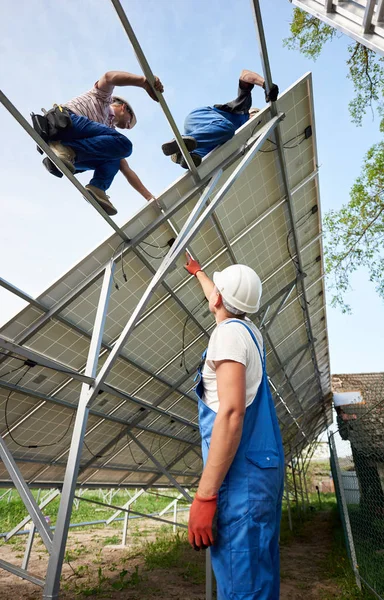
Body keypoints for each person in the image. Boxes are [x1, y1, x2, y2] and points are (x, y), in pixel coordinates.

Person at [184, 253, 284, 600]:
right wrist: (199, 273)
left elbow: (230, 414)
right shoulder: (249, 333)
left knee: (244, 588)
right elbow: (224, 302)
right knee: (260, 578)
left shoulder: (227, 337)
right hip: (259, 476)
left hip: (239, 482)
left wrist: (204, 496)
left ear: (219, 299)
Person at [42, 71, 164, 216]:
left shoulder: (107, 132)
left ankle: (97, 188)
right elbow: (109, 77)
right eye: (129, 122)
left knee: (115, 158)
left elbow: (126, 169)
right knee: (123, 144)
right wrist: (143, 82)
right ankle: (66, 149)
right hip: (65, 123)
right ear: (124, 108)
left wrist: (149, 197)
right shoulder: (104, 99)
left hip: (70, 148)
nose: (127, 127)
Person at [161, 70, 278, 169]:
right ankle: (183, 143)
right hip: (200, 118)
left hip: (202, 139)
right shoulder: (243, 110)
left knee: (202, 157)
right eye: (257, 114)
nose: (258, 120)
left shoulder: (240, 138)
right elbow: (244, 75)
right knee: (227, 128)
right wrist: (265, 84)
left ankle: (182, 154)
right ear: (251, 112)